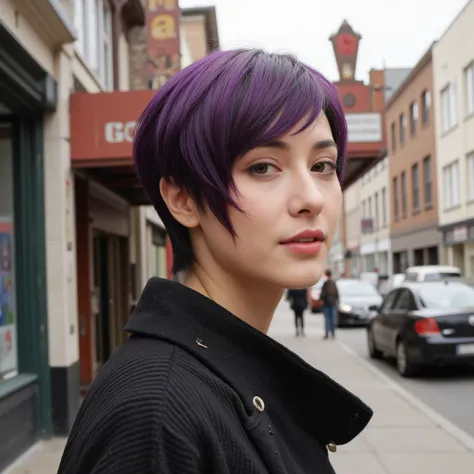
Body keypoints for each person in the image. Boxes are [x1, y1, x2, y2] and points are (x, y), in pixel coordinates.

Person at [57, 49, 372, 474]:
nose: (311, 199)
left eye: (322, 165)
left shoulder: (229, 369)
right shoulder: (158, 412)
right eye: (263, 167)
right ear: (184, 200)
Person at [321, 269, 339, 339]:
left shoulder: (325, 283)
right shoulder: (334, 283)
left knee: (327, 319)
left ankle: (327, 334)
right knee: (333, 319)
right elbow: (337, 294)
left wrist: (322, 298)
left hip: (326, 304)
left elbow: (322, 294)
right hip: (333, 303)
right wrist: (337, 301)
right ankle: (333, 333)